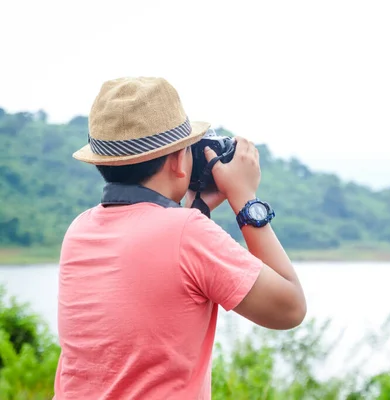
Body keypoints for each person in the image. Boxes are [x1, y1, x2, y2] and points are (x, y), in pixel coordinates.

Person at [53, 76, 307, 399]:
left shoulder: (79, 231)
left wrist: (194, 207)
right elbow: (290, 308)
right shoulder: (187, 234)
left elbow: (163, 272)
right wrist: (244, 198)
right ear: (177, 160)